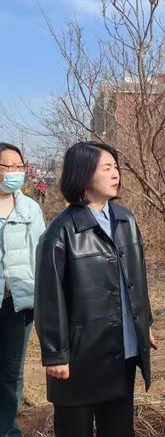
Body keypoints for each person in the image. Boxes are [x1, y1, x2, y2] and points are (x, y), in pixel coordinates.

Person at [35, 141, 155, 437]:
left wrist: (144, 324)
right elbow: (49, 298)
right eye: (107, 168)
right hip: (80, 356)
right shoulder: (61, 232)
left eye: (116, 167)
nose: (116, 174)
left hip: (121, 350)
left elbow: (137, 281)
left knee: (118, 428)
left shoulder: (126, 219)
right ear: (84, 174)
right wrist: (55, 354)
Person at [0, 143, 45, 437]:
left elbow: (41, 257)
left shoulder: (29, 208)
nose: (16, 173)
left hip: (18, 303)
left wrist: (44, 300)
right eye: (9, 167)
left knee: (11, 372)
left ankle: (5, 428)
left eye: (20, 167)